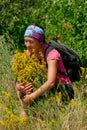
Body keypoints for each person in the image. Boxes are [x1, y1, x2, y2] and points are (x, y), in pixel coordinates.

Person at [16, 24, 74, 108]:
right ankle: (23, 112)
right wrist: (19, 86)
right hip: (43, 88)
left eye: (31, 42)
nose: (27, 45)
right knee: (20, 84)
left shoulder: (52, 54)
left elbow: (51, 82)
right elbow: (19, 77)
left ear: (40, 42)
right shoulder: (28, 53)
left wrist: (32, 97)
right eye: (26, 41)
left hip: (61, 90)